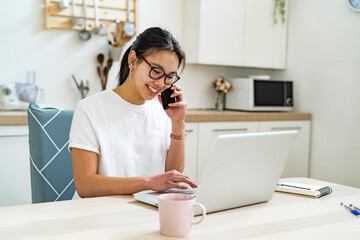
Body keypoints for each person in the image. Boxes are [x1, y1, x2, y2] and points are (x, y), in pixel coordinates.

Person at [69, 27, 197, 198]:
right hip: (100, 211)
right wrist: (149, 183)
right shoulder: (89, 108)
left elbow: (171, 175)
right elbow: (85, 185)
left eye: (169, 76)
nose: (160, 83)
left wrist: (178, 124)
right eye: (156, 71)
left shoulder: (163, 112)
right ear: (133, 61)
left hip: (145, 210)